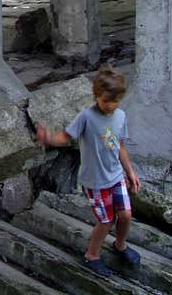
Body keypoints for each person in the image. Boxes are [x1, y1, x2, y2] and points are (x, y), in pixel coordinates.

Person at [36, 66, 142, 277]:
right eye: (106, 101)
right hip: (95, 182)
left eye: (115, 101)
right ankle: (92, 255)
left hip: (116, 176)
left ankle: (120, 245)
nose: (111, 106)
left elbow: (120, 145)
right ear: (96, 96)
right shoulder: (86, 116)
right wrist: (48, 139)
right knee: (106, 220)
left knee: (126, 215)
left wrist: (130, 171)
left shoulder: (120, 116)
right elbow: (66, 136)